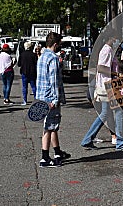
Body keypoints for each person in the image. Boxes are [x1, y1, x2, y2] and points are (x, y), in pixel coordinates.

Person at [80, 37, 123, 151]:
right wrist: (116, 73)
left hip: (106, 86)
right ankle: (120, 142)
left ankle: (87, 139)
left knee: (104, 114)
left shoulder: (107, 50)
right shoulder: (107, 50)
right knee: (119, 113)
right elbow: (101, 68)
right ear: (111, 38)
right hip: (109, 87)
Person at [36, 32, 70, 168]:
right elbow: (54, 81)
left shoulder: (42, 57)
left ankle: (56, 152)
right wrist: (55, 99)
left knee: (51, 126)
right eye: (59, 45)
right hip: (50, 97)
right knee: (49, 128)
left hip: (41, 96)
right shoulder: (53, 58)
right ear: (55, 44)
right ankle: (45, 158)